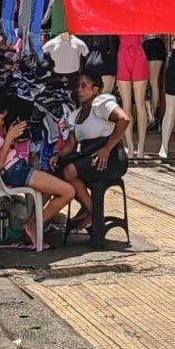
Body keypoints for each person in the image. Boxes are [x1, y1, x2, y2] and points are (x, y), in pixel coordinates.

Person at [0, 95, 75, 250]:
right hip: (14, 170)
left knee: (51, 184)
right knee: (68, 192)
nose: (2, 123)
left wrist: (9, 140)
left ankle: (32, 224)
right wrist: (9, 138)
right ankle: (34, 225)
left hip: (15, 168)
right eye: (1, 118)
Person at [52, 72, 130, 233]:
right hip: (90, 158)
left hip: (112, 159)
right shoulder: (75, 115)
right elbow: (71, 144)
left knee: (70, 171)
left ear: (95, 89)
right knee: (60, 171)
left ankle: (94, 214)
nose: (79, 90)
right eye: (78, 87)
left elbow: (124, 119)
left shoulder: (101, 104)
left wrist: (107, 148)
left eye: (84, 86)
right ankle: (90, 209)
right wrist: (58, 155)